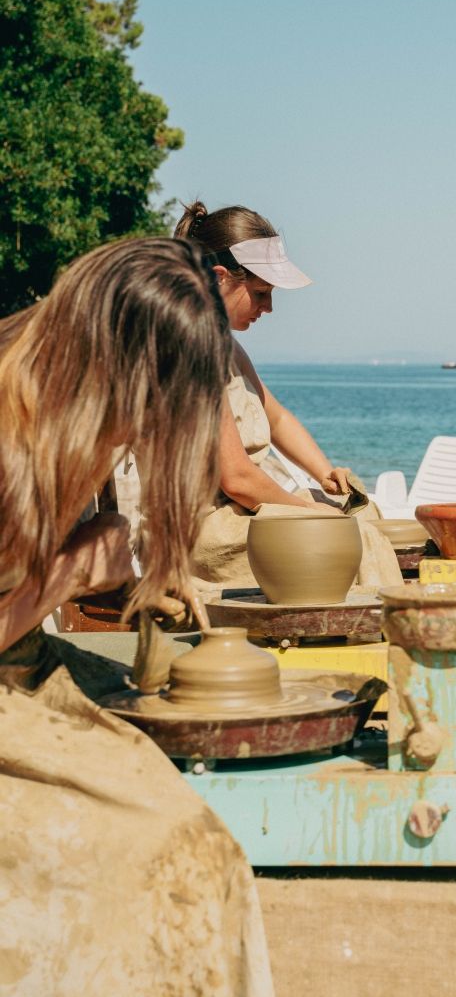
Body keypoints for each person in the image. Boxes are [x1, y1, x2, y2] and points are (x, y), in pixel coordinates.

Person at [0, 238, 273, 996]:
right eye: (156, 405)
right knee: (182, 844)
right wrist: (76, 568)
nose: (150, 428)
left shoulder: (55, 402)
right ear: (116, 367)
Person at [172, 202, 400, 590]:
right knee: (347, 536)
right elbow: (237, 478)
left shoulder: (223, 345)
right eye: (261, 293)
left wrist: (325, 474)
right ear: (218, 277)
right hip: (203, 531)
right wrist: (308, 513)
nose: (270, 307)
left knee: (362, 511)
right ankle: (369, 637)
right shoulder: (187, 350)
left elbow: (276, 418)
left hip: (242, 513)